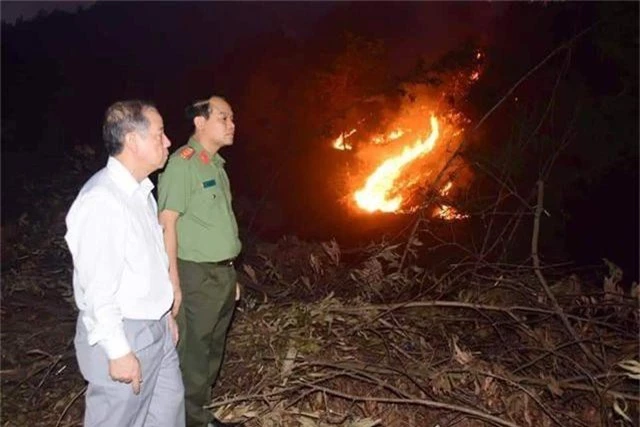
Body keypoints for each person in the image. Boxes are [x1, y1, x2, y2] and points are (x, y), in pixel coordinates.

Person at [65, 100, 185, 427]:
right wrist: (118, 350)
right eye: (159, 134)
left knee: (167, 418)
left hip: (155, 330)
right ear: (133, 140)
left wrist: (164, 317)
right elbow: (97, 288)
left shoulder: (141, 193)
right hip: (124, 332)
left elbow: (149, 262)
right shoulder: (102, 200)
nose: (168, 141)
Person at [158, 96, 241, 427]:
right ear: (200, 122)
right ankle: (188, 419)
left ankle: (198, 414)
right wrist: (173, 283)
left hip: (221, 275)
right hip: (196, 275)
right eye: (224, 117)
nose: (232, 124)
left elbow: (219, 227)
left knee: (211, 352)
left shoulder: (216, 167)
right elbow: (167, 223)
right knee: (193, 353)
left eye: (232, 118)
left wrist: (230, 275)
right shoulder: (183, 164)